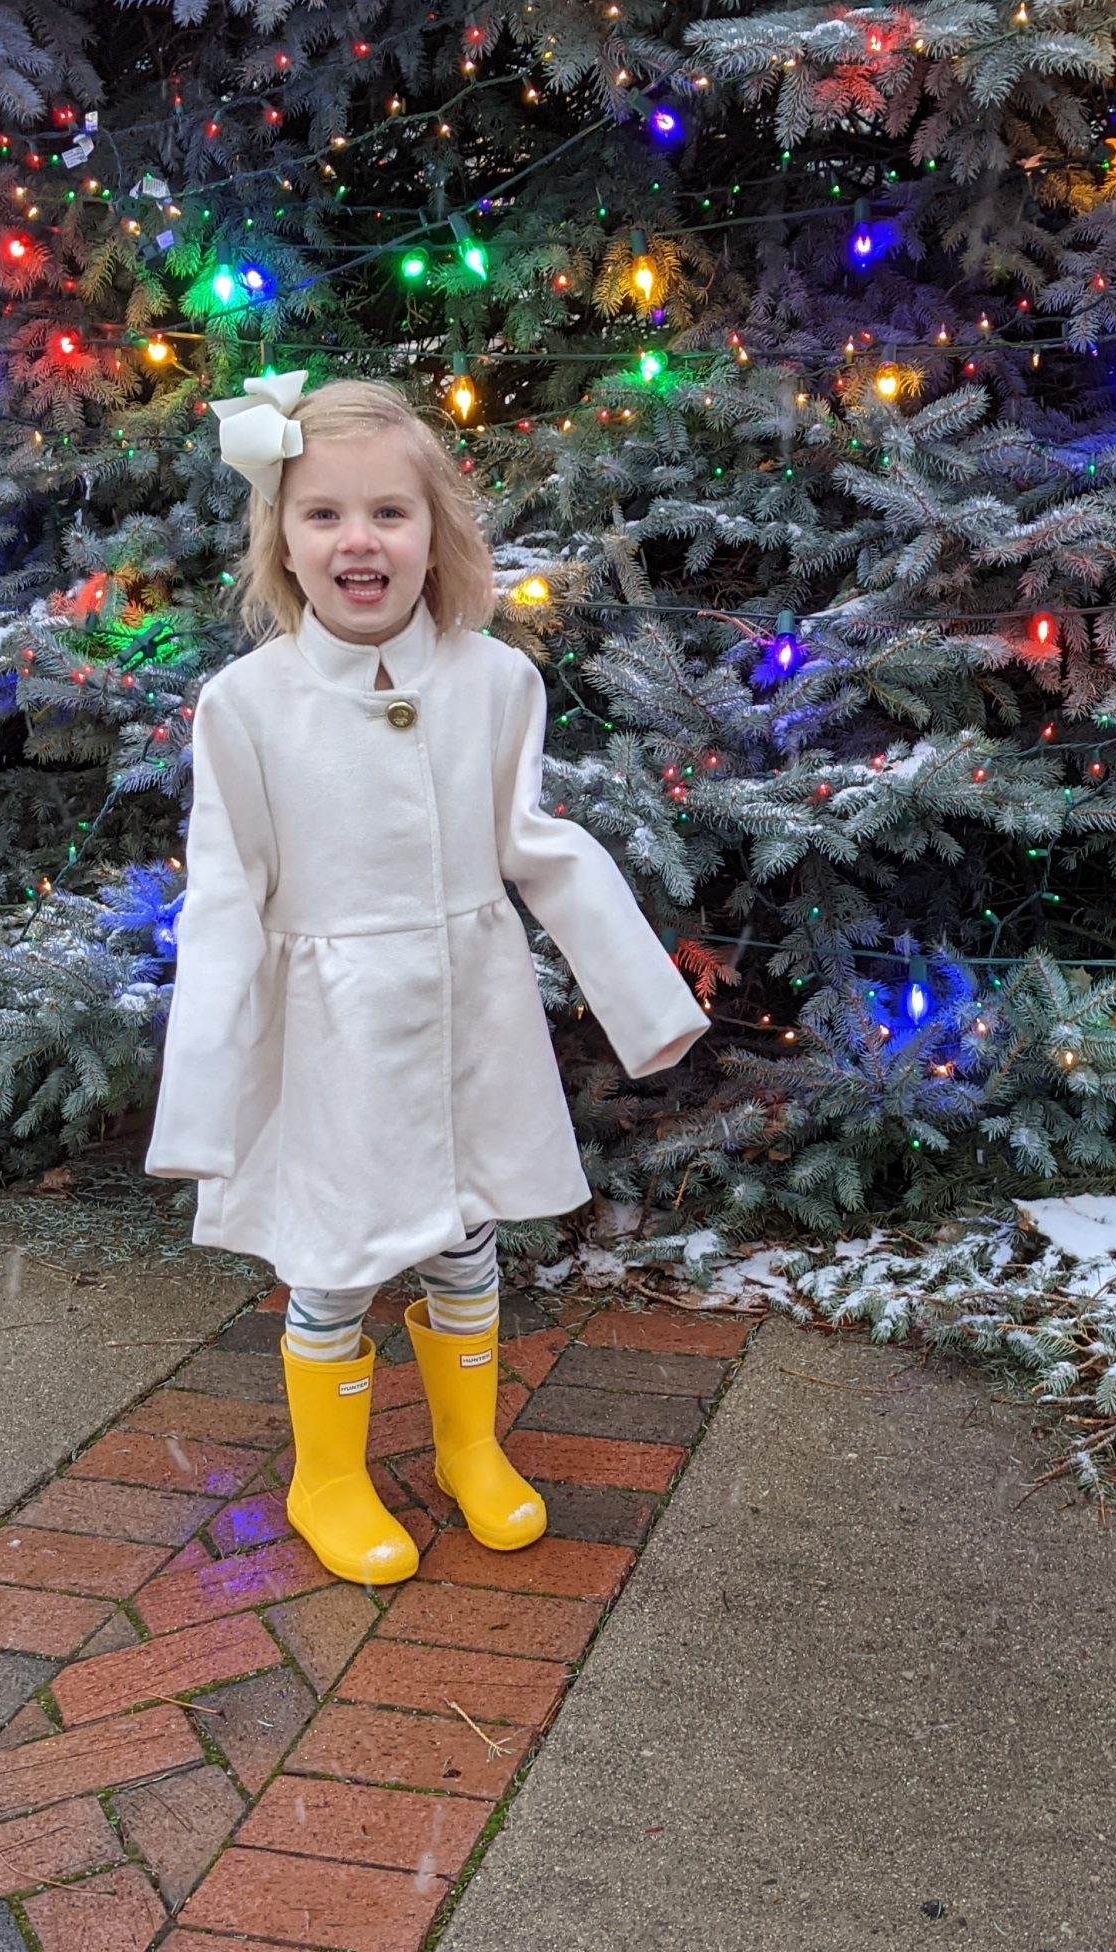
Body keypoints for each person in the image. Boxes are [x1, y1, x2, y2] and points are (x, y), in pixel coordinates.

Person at [145, 369, 710, 1585]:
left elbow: (538, 843)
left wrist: (643, 1006)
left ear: (434, 532)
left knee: (467, 1232)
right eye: (323, 514)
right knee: (336, 1257)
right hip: (333, 1030)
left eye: (389, 513)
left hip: (468, 1006)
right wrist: (202, 1098)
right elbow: (226, 897)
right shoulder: (245, 706)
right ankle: (328, 1474)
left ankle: (469, 1448)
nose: (359, 539)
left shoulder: (493, 681)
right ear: (282, 542)